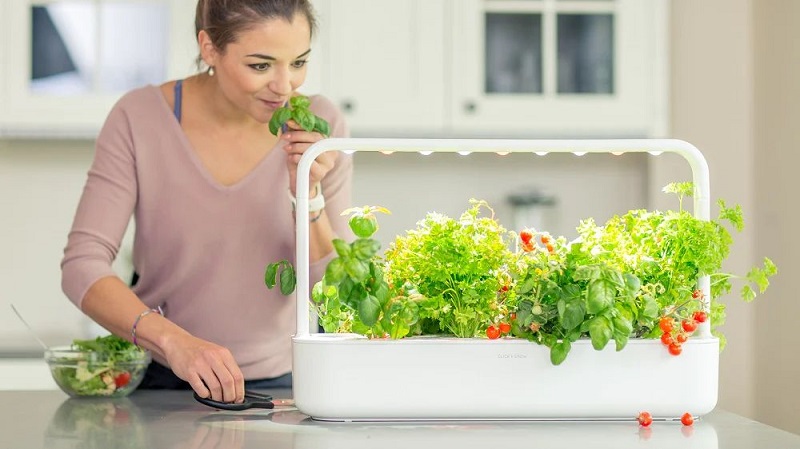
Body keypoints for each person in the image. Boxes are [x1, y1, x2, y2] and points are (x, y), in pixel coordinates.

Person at [60, 0, 353, 404]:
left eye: (298, 62)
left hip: (287, 385)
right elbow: (82, 265)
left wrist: (308, 194)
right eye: (261, 65)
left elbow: (336, 291)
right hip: (163, 377)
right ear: (209, 47)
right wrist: (174, 343)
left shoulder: (320, 124)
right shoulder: (139, 118)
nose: (285, 86)